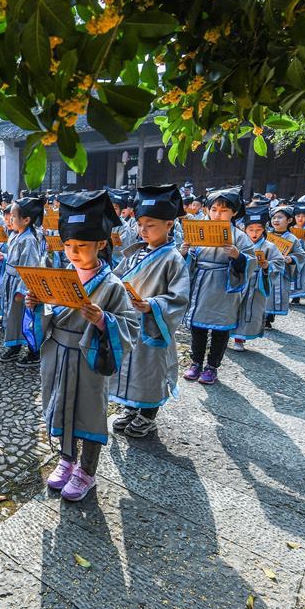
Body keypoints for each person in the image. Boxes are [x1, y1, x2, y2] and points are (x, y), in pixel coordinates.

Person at [24, 189, 139, 501]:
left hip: (90, 356)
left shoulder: (112, 285)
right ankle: (66, 459)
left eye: (82, 246)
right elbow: (49, 314)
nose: (73, 252)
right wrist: (36, 303)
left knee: (89, 412)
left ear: (101, 244)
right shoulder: (62, 275)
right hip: (59, 353)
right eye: (68, 245)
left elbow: (130, 326)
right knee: (61, 406)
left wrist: (103, 320)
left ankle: (87, 470)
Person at [110, 184, 190, 438]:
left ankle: (148, 415)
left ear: (169, 225)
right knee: (129, 367)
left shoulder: (173, 258)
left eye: (150, 225)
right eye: (140, 224)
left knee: (149, 371)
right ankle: (131, 408)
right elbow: (115, 279)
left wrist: (152, 305)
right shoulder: (134, 254)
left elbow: (179, 298)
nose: (143, 230)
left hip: (153, 324)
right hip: (129, 322)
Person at [180, 187, 255, 385]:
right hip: (200, 283)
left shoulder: (239, 236)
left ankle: (212, 366)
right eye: (213, 209)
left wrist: (238, 256)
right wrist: (184, 252)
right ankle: (196, 362)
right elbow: (187, 261)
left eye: (223, 211)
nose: (217, 214)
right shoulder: (199, 230)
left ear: (234, 212)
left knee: (220, 330)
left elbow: (251, 263)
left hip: (224, 286)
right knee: (197, 327)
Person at [230, 209, 286, 351]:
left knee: (249, 312)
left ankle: (240, 339)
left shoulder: (269, 246)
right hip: (239, 280)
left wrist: (267, 266)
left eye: (258, 229)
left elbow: (279, 263)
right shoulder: (239, 242)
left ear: (264, 230)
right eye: (251, 229)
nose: (254, 233)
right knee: (232, 309)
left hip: (257, 283)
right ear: (245, 229)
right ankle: (226, 336)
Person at [0, 196, 44, 366]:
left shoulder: (29, 240)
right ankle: (14, 345)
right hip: (11, 280)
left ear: (26, 220)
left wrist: (22, 290)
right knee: (13, 317)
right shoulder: (15, 235)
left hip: (21, 286)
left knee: (27, 319)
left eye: (13, 216)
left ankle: (34, 352)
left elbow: (29, 267)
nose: (10, 219)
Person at [263, 205, 305, 329]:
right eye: (274, 217)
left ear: (289, 220)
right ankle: (264, 315)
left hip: (280, 273)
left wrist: (290, 258)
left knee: (274, 294)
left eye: (280, 217)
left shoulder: (292, 238)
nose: (276, 220)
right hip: (265, 268)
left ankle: (269, 316)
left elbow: (301, 254)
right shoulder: (266, 235)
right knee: (264, 293)